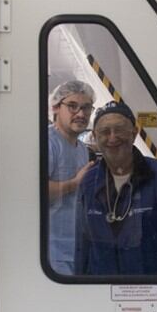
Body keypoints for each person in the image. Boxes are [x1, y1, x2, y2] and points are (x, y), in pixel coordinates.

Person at [74, 101, 157, 275]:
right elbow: (82, 244)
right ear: (95, 137)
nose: (113, 137)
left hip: (154, 288)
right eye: (105, 132)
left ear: (134, 133)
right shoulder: (89, 182)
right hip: (103, 289)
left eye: (120, 129)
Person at [47, 80, 96, 274]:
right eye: (73, 106)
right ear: (56, 107)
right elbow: (34, 193)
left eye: (86, 108)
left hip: (74, 247)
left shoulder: (82, 149)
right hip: (50, 251)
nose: (81, 114)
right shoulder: (48, 144)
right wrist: (74, 183)